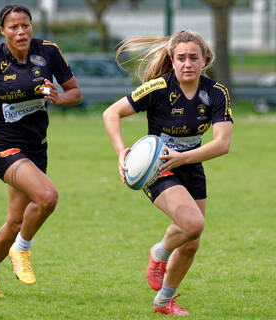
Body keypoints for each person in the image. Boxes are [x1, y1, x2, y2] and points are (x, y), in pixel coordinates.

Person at [103, 30, 233, 316]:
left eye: (193, 58)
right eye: (181, 58)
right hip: (158, 167)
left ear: (205, 60)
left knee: (191, 243)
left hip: (189, 166)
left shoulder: (215, 94)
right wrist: (121, 152)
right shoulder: (157, 89)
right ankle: (159, 254)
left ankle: (163, 302)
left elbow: (222, 144)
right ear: (172, 61)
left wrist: (183, 158)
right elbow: (111, 113)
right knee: (193, 225)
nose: (187, 63)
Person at [0, 4, 82, 297]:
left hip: (36, 148)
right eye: (13, 27)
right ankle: (21, 250)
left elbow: (75, 93)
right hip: (3, 147)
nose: (21, 31)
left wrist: (59, 98)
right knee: (48, 197)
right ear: (3, 31)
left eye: (25, 25)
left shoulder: (49, 52)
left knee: (15, 220)